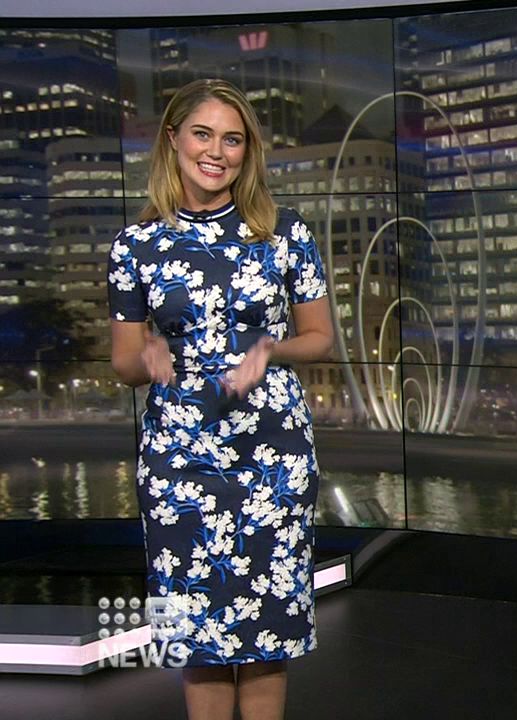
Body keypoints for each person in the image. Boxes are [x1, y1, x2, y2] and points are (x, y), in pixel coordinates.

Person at [107, 78, 334, 720]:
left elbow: (319, 337)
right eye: (202, 134)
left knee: (267, 636)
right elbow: (123, 361)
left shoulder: (285, 233)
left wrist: (271, 350)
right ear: (173, 139)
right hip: (179, 458)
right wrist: (148, 359)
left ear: (247, 151)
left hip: (272, 454)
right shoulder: (135, 246)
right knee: (197, 639)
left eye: (232, 140)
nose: (216, 151)